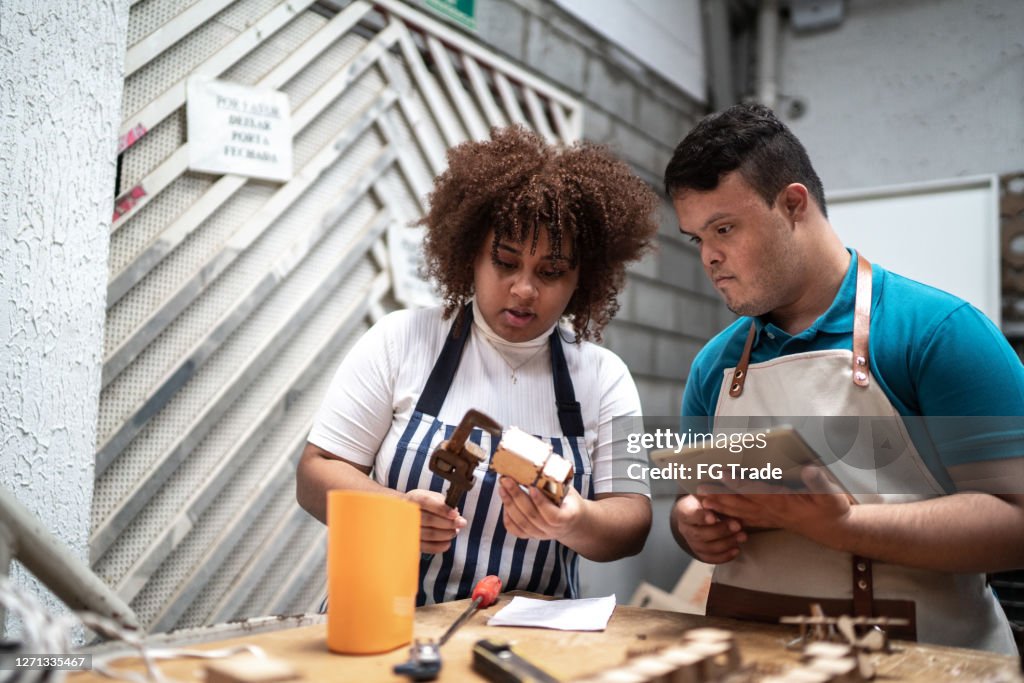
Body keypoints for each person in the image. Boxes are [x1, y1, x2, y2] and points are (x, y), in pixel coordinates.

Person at [663, 102, 1024, 653]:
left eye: (725, 228)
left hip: (921, 664)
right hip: (754, 660)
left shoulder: (937, 333)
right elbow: (691, 504)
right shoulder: (714, 367)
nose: (710, 257)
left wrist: (845, 529)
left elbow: (1016, 524)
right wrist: (692, 526)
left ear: (792, 205)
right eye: (698, 239)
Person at [297, 125, 658, 605]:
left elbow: (631, 522)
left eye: (550, 272)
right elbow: (315, 473)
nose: (524, 289)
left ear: (582, 279)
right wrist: (392, 510)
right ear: (470, 255)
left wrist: (576, 520)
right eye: (505, 262)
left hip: (532, 648)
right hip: (382, 625)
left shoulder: (604, 377)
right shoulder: (399, 340)